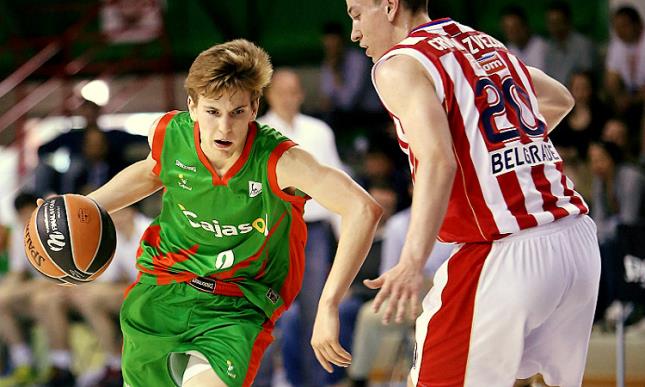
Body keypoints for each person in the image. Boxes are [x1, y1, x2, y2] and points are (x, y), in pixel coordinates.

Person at [47, 39, 382, 387]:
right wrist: (85, 206)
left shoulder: (280, 161)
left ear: (254, 107)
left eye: (237, 112)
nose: (225, 127)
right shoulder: (169, 135)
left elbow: (363, 208)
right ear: (192, 106)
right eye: (212, 111)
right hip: (163, 290)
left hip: (237, 305)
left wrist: (329, 304)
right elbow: (152, 171)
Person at [345, 1, 601, 386]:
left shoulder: (399, 64)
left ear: (389, 5)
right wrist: (493, 150)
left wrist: (413, 261)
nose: (355, 33)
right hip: (577, 244)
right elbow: (560, 98)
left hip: (504, 253)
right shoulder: (483, 43)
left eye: (356, 14)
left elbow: (438, 161)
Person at [257, 68, 344, 387]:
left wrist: (345, 242)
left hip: (316, 231)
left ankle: (315, 383)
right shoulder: (259, 131)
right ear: (268, 94)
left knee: (317, 313)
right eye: (281, 91)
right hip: (271, 233)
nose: (287, 97)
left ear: (301, 95)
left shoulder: (319, 131)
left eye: (293, 91)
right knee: (264, 315)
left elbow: (339, 186)